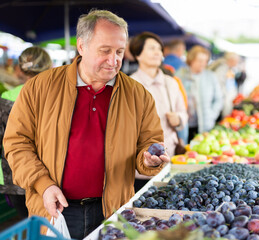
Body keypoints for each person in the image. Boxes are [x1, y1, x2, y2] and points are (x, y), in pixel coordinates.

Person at [3, 10, 169, 239]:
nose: (114, 60)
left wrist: (149, 159)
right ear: (81, 46)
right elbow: (17, 143)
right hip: (54, 209)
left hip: (112, 210)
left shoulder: (138, 95)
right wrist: (43, 184)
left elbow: (150, 143)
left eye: (120, 52)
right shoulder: (40, 87)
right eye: (105, 51)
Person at [129, 32, 188, 191]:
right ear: (137, 54)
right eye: (151, 48)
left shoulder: (171, 82)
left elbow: (183, 112)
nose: (157, 52)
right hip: (141, 166)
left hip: (169, 157)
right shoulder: (130, 85)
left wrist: (179, 118)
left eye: (159, 49)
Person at [0, 46, 52, 219]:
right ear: (50, 67)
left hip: (15, 177)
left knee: (30, 222)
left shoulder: (6, 98)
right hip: (50, 177)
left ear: (19, 69)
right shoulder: (56, 96)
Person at [176, 45, 223, 141]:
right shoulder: (180, 74)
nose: (203, 64)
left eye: (205, 61)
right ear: (191, 60)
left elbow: (219, 99)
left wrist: (212, 115)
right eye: (200, 61)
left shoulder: (211, 76)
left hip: (205, 124)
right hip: (184, 125)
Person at [208, 52, 240, 118]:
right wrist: (225, 96)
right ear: (231, 60)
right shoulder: (222, 68)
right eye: (236, 61)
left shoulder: (228, 68)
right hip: (218, 99)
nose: (237, 63)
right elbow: (218, 84)